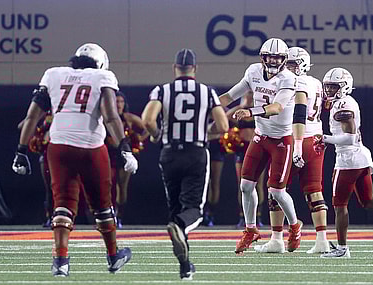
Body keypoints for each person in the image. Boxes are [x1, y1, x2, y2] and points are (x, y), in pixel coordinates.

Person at [12, 43, 138, 276]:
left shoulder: (53, 74)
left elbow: (32, 115)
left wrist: (21, 149)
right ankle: (113, 255)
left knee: (63, 202)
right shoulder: (103, 76)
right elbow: (110, 116)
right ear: (101, 63)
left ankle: (60, 261)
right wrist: (124, 147)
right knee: (101, 204)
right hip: (90, 146)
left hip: (59, 145)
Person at [142, 48, 229, 280]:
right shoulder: (206, 92)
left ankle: (185, 266)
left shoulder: (163, 90)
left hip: (169, 153)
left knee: (175, 209)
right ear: (195, 69)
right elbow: (222, 126)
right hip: (195, 153)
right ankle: (180, 228)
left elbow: (148, 120)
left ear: (174, 69)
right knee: (193, 212)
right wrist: (204, 132)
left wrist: (158, 134)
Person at [218, 37, 306, 255]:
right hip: (261, 136)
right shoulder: (253, 72)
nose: (274, 61)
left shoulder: (288, 78)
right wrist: (207, 106)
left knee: (276, 191)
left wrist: (250, 112)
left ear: (284, 60)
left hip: (281, 140)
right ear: (262, 58)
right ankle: (251, 229)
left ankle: (294, 226)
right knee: (245, 186)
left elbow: (276, 107)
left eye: (278, 57)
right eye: (270, 56)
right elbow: (230, 96)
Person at [315, 67, 373, 258]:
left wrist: (325, 138)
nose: (329, 91)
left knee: (339, 205)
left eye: (333, 87)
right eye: (328, 87)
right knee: (368, 202)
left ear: (344, 86)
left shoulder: (344, 105)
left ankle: (342, 249)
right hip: (360, 158)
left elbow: (349, 138)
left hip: (348, 160)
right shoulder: (343, 102)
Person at [256, 47, 330, 254]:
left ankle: (277, 238)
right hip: (316, 139)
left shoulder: (292, 82)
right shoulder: (316, 83)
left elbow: (300, 113)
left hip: (296, 138)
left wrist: (297, 144)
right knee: (314, 190)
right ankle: (322, 239)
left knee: (275, 189)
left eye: (292, 64)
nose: (288, 68)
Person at [105, 91, 148, 228]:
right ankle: (108, 214)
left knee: (122, 187)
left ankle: (119, 216)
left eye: (121, 102)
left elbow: (147, 126)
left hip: (124, 155)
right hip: (109, 154)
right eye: (116, 101)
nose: (118, 104)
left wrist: (140, 139)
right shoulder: (105, 117)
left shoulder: (128, 118)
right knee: (108, 185)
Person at [224, 92, 266, 228]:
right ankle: (243, 216)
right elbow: (225, 117)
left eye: (251, 94)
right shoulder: (240, 111)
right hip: (242, 149)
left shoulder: (259, 111)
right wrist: (241, 106)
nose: (249, 96)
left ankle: (258, 215)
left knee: (259, 184)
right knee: (242, 185)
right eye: (247, 94)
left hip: (257, 147)